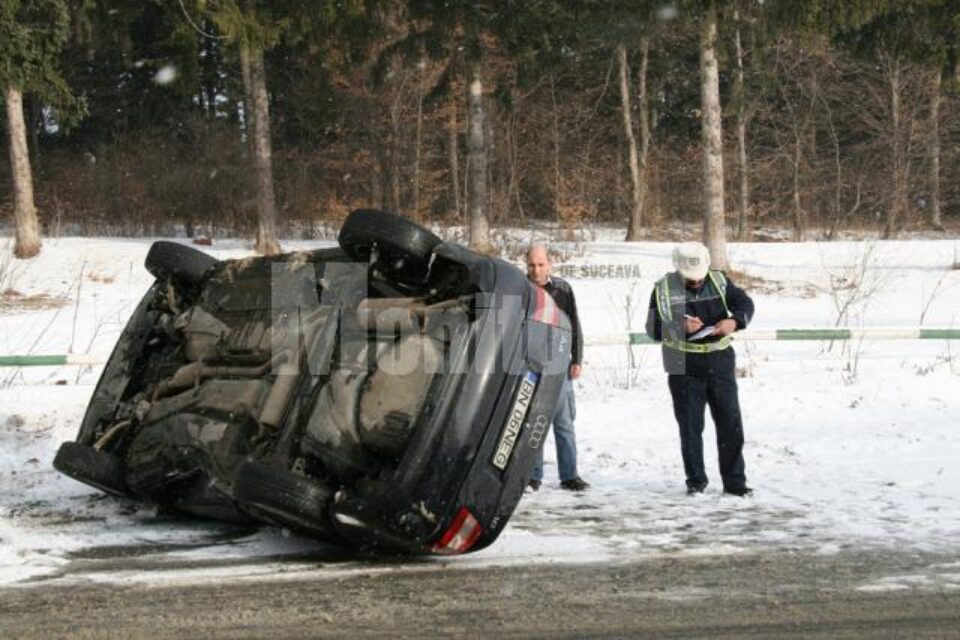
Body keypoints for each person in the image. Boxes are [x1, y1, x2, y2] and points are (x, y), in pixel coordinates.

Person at [645, 242, 755, 496]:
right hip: (680, 362)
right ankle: (696, 483)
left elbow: (745, 305)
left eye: (698, 278)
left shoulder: (720, 281)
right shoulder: (662, 289)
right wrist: (679, 327)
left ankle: (735, 484)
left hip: (720, 360)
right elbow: (652, 329)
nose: (695, 282)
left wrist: (734, 321)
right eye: (689, 279)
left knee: (730, 425)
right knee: (690, 428)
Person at [525, 245, 589, 492]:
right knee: (534, 423)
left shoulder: (563, 289)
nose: (536, 270)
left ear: (549, 264)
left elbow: (574, 325)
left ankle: (569, 475)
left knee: (564, 423)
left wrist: (577, 359)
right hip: (530, 368)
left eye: (541, 264)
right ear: (526, 265)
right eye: (532, 265)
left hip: (559, 367)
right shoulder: (521, 292)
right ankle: (532, 476)